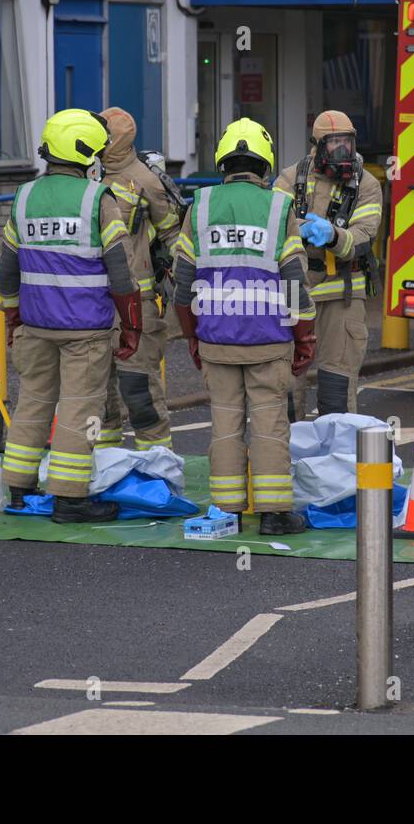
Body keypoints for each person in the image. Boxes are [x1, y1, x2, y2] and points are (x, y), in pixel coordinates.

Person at [173, 118, 316, 534]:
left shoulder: (198, 207)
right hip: (269, 340)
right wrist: (302, 336)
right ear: (265, 165)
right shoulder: (279, 208)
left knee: (225, 423)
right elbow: (294, 282)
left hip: (215, 339)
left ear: (223, 163)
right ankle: (273, 515)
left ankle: (228, 512)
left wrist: (191, 335)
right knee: (271, 423)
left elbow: (183, 286)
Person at [0, 109, 142, 522]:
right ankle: (70, 499)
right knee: (81, 410)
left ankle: (19, 490)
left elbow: (6, 268)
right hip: (85, 331)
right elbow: (120, 270)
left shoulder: (23, 196)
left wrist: (12, 314)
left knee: (33, 404)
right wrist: (132, 325)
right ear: (86, 154)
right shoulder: (98, 198)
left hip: (36, 324)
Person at [273, 110, 382, 418]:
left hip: (342, 297)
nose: (343, 152)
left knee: (337, 387)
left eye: (347, 143)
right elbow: (271, 227)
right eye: (334, 144)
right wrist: (297, 228)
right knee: (286, 386)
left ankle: (337, 460)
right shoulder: (290, 178)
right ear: (317, 145)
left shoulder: (367, 184)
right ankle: (284, 458)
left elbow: (362, 239)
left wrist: (331, 234)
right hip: (296, 293)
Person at [95, 106, 183, 452]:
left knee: (139, 390)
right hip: (92, 304)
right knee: (98, 396)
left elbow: (173, 235)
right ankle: (102, 468)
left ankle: (157, 466)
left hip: (137, 306)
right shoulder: (86, 177)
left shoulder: (145, 180)